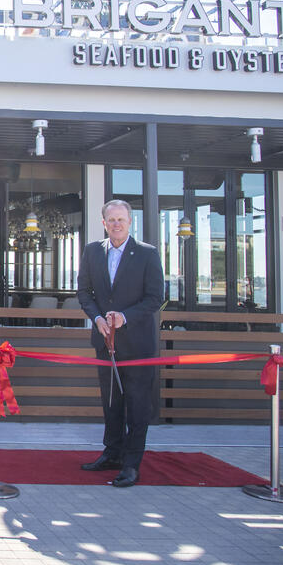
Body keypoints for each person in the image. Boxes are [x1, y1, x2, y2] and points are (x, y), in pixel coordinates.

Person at [76, 199, 165, 487]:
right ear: (104, 223)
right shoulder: (92, 251)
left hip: (138, 344)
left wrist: (124, 317)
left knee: (137, 406)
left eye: (121, 220)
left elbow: (155, 298)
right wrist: (97, 317)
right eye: (111, 220)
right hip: (105, 341)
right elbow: (84, 291)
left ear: (130, 223)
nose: (116, 224)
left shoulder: (147, 254)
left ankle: (131, 464)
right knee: (111, 402)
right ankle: (112, 453)